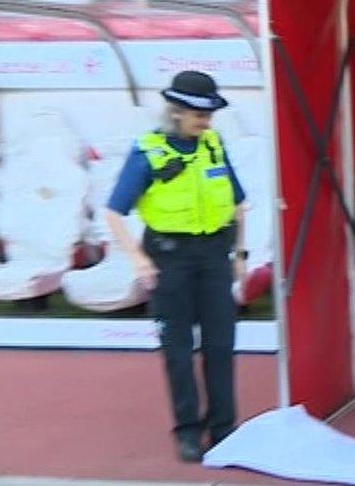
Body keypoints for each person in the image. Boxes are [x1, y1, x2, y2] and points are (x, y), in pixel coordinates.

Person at [104, 70, 247, 463]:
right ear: (176, 112)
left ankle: (223, 429)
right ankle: (187, 431)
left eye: (209, 115)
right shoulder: (148, 151)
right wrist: (137, 258)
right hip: (169, 260)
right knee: (178, 351)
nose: (206, 122)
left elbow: (237, 202)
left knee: (221, 346)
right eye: (199, 115)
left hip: (214, 257)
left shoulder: (214, 145)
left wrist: (240, 255)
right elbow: (114, 211)